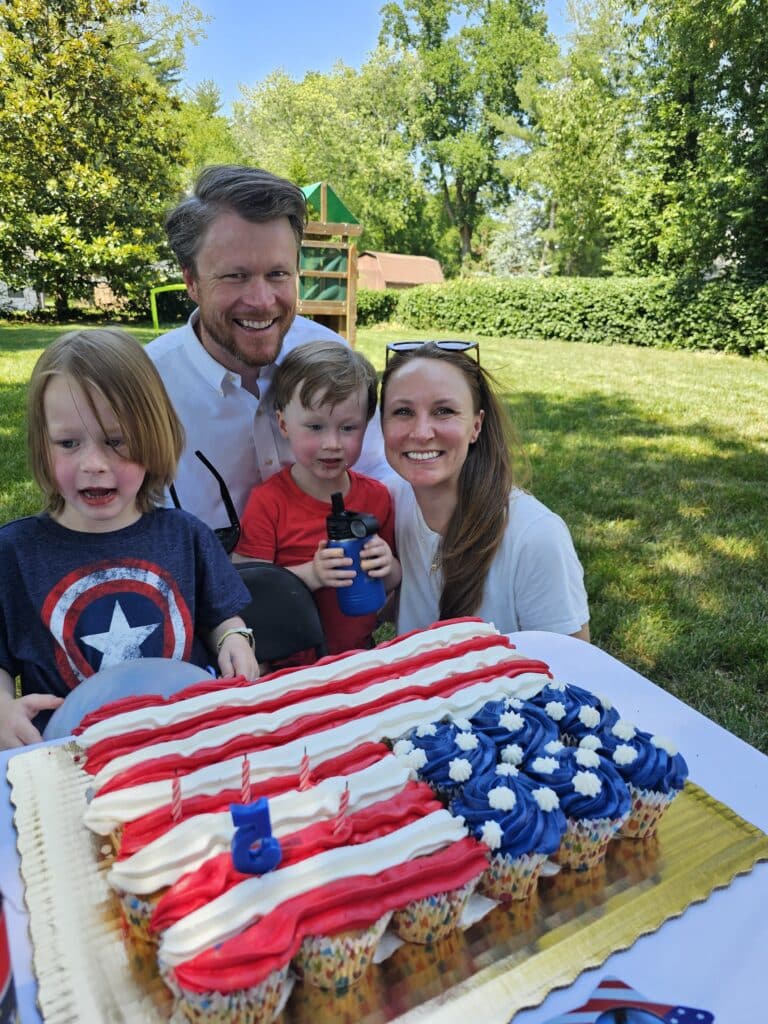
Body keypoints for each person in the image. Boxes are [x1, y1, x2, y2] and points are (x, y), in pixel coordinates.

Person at [0, 329, 259, 750]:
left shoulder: (186, 535)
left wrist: (235, 639)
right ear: (41, 446)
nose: (94, 464)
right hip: (68, 757)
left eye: (116, 441)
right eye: (68, 443)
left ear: (153, 436)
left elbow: (222, 619)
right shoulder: (13, 553)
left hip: (182, 741)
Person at [146, 164, 392, 532]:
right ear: (191, 282)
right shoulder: (147, 385)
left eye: (278, 274)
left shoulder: (328, 352)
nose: (262, 301)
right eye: (235, 276)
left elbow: (377, 468)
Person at [379, 341, 590, 639]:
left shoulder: (536, 536)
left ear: (476, 425)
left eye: (444, 411)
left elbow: (573, 669)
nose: (421, 432)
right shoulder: (385, 503)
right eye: (403, 411)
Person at [234, 341, 401, 656]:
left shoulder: (377, 497)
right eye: (315, 427)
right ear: (284, 424)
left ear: (367, 427)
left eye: (348, 428)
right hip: (289, 664)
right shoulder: (269, 501)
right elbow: (250, 586)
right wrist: (311, 574)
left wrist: (387, 565)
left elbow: (392, 579)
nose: (332, 443)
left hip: (358, 654)